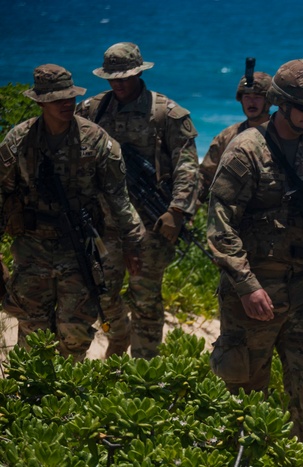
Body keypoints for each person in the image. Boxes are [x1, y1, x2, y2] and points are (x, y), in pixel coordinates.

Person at [206, 59, 303, 465]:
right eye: (300, 105)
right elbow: (219, 225)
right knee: (244, 395)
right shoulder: (245, 151)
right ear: (280, 102)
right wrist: (247, 287)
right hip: (255, 293)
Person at [0, 64, 143, 360]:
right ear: (40, 103)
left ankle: (66, 393)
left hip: (79, 247)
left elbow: (119, 199)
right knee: (32, 327)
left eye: (70, 97)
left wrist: (132, 243)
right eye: (57, 99)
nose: (67, 103)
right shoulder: (19, 141)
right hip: (31, 246)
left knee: (74, 330)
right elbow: (3, 194)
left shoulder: (97, 141)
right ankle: (33, 395)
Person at [78, 42, 199, 358]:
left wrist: (177, 210)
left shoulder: (166, 114)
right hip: (104, 223)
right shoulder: (92, 110)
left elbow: (187, 166)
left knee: (145, 298)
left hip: (151, 223)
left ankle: (142, 369)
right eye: (112, 78)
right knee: (100, 293)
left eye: (125, 76)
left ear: (139, 73)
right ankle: (118, 341)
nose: (118, 83)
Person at [197, 71, 272, 205]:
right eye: (247, 96)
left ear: (269, 101)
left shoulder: (282, 134)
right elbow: (205, 176)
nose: (251, 102)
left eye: (257, 97)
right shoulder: (227, 137)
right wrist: (186, 211)